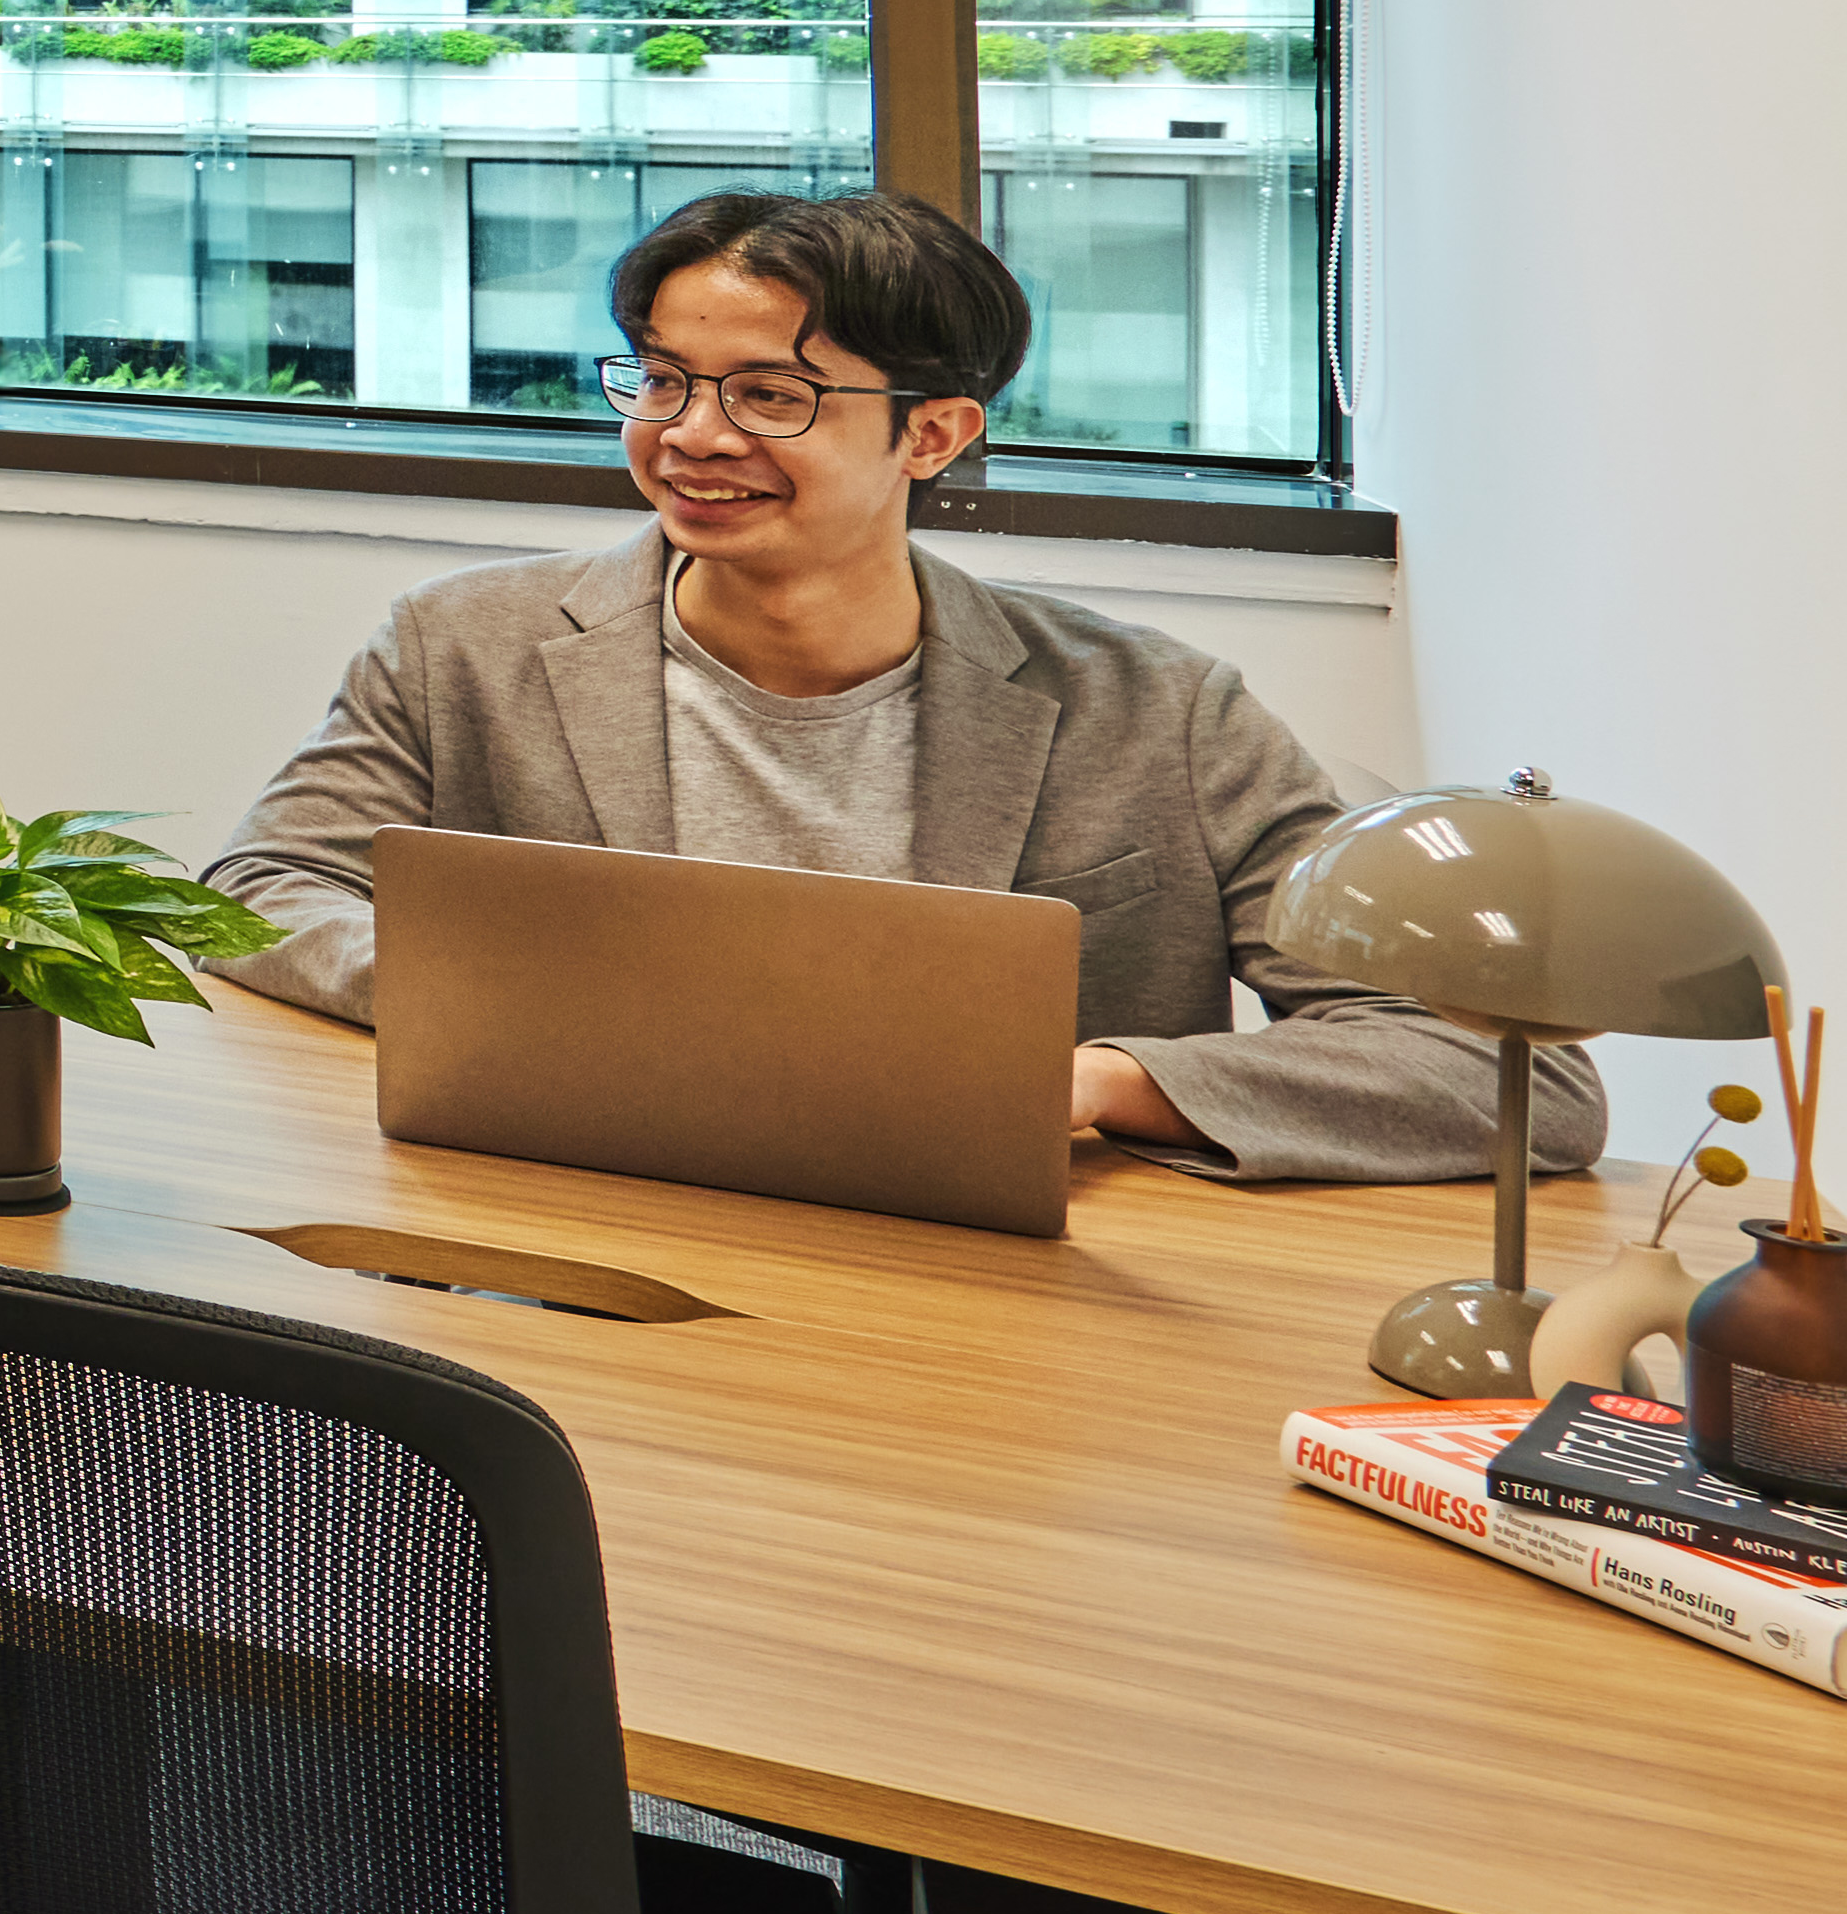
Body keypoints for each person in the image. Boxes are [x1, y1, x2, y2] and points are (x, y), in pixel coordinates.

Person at [209, 188, 1596, 1187]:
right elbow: (257, 886)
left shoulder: (1159, 712)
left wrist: (1101, 1081)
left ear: (932, 431)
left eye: (769, 396)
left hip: (987, 1293)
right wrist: (538, 1009)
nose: (691, 435)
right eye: (662, 380)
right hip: (573, 1235)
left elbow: (1503, 1072)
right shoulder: (465, 643)